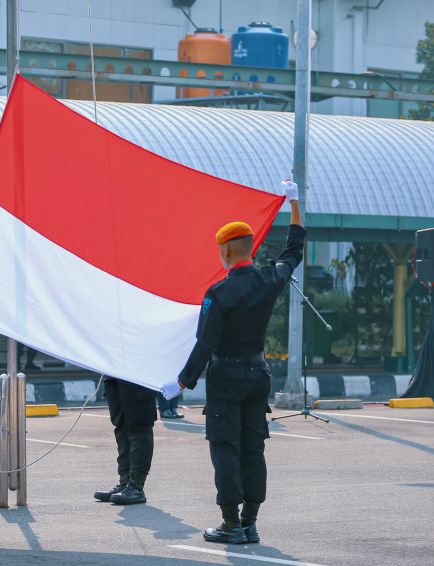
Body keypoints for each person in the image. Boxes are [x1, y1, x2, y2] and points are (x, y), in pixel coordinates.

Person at [168, 180, 305, 545]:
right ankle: (251, 521)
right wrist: (293, 204)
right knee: (253, 448)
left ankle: (230, 523)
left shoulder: (219, 292)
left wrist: (182, 382)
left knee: (225, 448)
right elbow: (294, 250)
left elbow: (205, 343)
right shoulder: (269, 279)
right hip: (258, 375)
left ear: (226, 252)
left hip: (226, 377)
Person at [93, 376, 157, 506]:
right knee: (121, 428)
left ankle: (136, 487)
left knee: (139, 429)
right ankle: (125, 482)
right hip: (115, 376)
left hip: (137, 377)